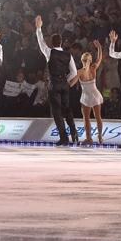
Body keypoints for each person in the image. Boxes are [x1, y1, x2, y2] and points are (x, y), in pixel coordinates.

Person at [36, 16, 78, 146]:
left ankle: (64, 138)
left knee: (57, 112)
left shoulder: (49, 52)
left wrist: (38, 28)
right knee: (67, 109)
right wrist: (66, 80)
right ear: (61, 42)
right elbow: (74, 72)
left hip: (54, 85)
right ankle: (73, 131)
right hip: (64, 84)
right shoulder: (68, 54)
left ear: (52, 43)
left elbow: (41, 42)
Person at [74, 40, 104, 145]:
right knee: (88, 118)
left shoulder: (90, 69)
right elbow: (99, 58)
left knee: (96, 117)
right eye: (84, 60)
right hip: (88, 95)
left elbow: (99, 59)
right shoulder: (85, 70)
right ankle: (90, 138)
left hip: (92, 95)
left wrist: (99, 48)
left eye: (85, 60)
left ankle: (97, 136)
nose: (84, 62)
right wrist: (99, 47)